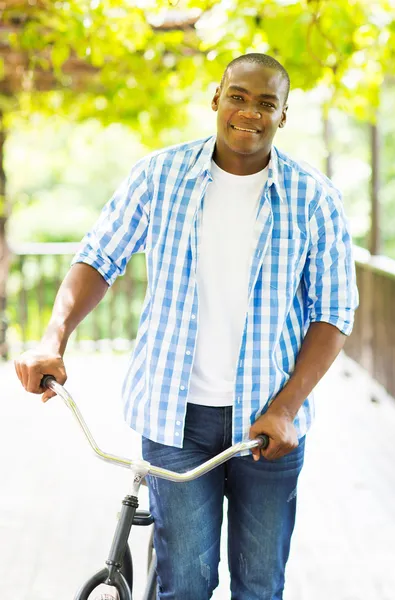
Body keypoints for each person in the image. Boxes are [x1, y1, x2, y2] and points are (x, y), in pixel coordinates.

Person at [15, 53, 358, 599]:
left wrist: (287, 407)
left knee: (259, 587)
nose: (250, 112)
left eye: (267, 103)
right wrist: (52, 339)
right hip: (175, 422)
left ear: (283, 115)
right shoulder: (159, 175)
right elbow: (98, 260)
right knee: (184, 586)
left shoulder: (315, 197)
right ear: (216, 99)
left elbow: (334, 311)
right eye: (239, 96)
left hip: (268, 424)